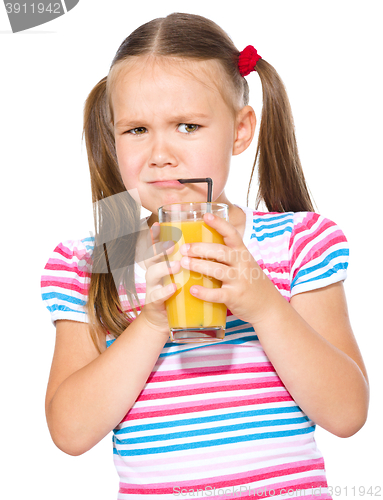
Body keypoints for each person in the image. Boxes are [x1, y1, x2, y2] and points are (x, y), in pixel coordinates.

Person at [41, 12, 369, 499]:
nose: (160, 153)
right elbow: (69, 432)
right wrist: (151, 321)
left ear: (240, 131)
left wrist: (263, 304)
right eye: (136, 130)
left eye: (187, 126)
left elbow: (347, 414)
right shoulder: (98, 258)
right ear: (113, 138)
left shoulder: (296, 242)